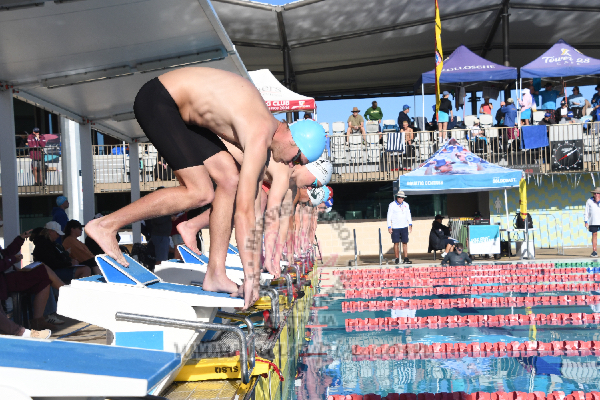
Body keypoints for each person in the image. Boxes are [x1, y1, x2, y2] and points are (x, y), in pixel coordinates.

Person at [85, 67, 325, 309]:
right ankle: (105, 225)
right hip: (160, 99)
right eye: (297, 159)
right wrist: (251, 276)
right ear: (294, 140)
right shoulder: (260, 134)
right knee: (199, 192)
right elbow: (244, 213)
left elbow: (253, 211)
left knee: (229, 180)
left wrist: (253, 271)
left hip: (186, 115)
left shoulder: (264, 130)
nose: (291, 165)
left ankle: (215, 274)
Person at [1, 229, 65, 331]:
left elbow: (5, 253)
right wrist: (12, 259)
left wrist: (20, 239)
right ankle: (67, 293)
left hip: (9, 276)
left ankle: (38, 321)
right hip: (4, 281)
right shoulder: (45, 243)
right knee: (43, 269)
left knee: (44, 282)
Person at [387, 190, 412, 264]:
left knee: (405, 242)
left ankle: (406, 258)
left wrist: (410, 224)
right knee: (396, 243)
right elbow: (389, 216)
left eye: (403, 198)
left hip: (404, 226)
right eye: (400, 197)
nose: (401, 199)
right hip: (395, 227)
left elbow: (408, 215)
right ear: (397, 197)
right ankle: (397, 258)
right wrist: (389, 226)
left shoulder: (406, 205)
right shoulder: (392, 205)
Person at [585, 188, 600, 258]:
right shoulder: (589, 201)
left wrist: (598, 202)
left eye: (598, 193)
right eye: (595, 193)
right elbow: (586, 211)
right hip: (593, 221)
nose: (596, 194)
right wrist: (586, 221)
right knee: (594, 234)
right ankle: (594, 251)